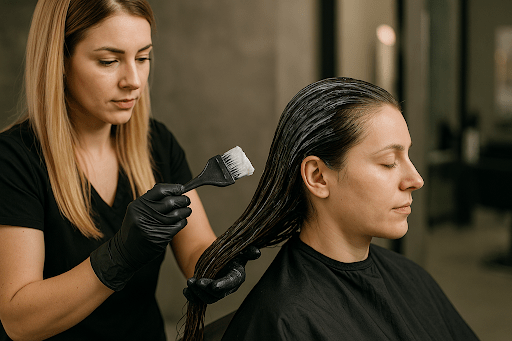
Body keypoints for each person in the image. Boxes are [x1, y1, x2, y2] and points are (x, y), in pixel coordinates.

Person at [0, 1, 259, 340]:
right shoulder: (13, 161)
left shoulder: (157, 145)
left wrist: (222, 262)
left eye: (143, 57)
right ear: (59, 60)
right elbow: (19, 321)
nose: (133, 81)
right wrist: (117, 257)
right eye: (109, 61)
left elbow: (197, 251)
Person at [182, 77, 480, 340]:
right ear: (318, 176)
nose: (415, 179)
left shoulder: (411, 278)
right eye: (389, 162)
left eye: (409, 157)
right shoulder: (285, 320)